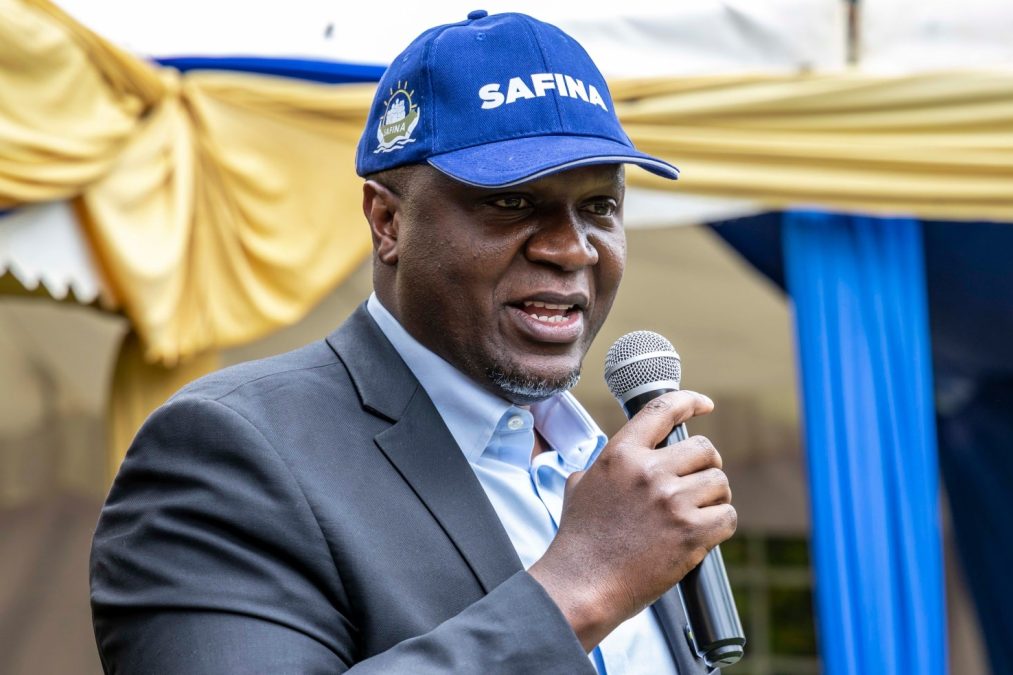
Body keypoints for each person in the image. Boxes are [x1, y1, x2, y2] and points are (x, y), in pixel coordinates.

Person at [90, 10, 736, 674]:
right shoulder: (230, 453)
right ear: (387, 221)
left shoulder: (611, 473)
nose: (572, 247)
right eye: (512, 201)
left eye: (600, 206)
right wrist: (580, 584)